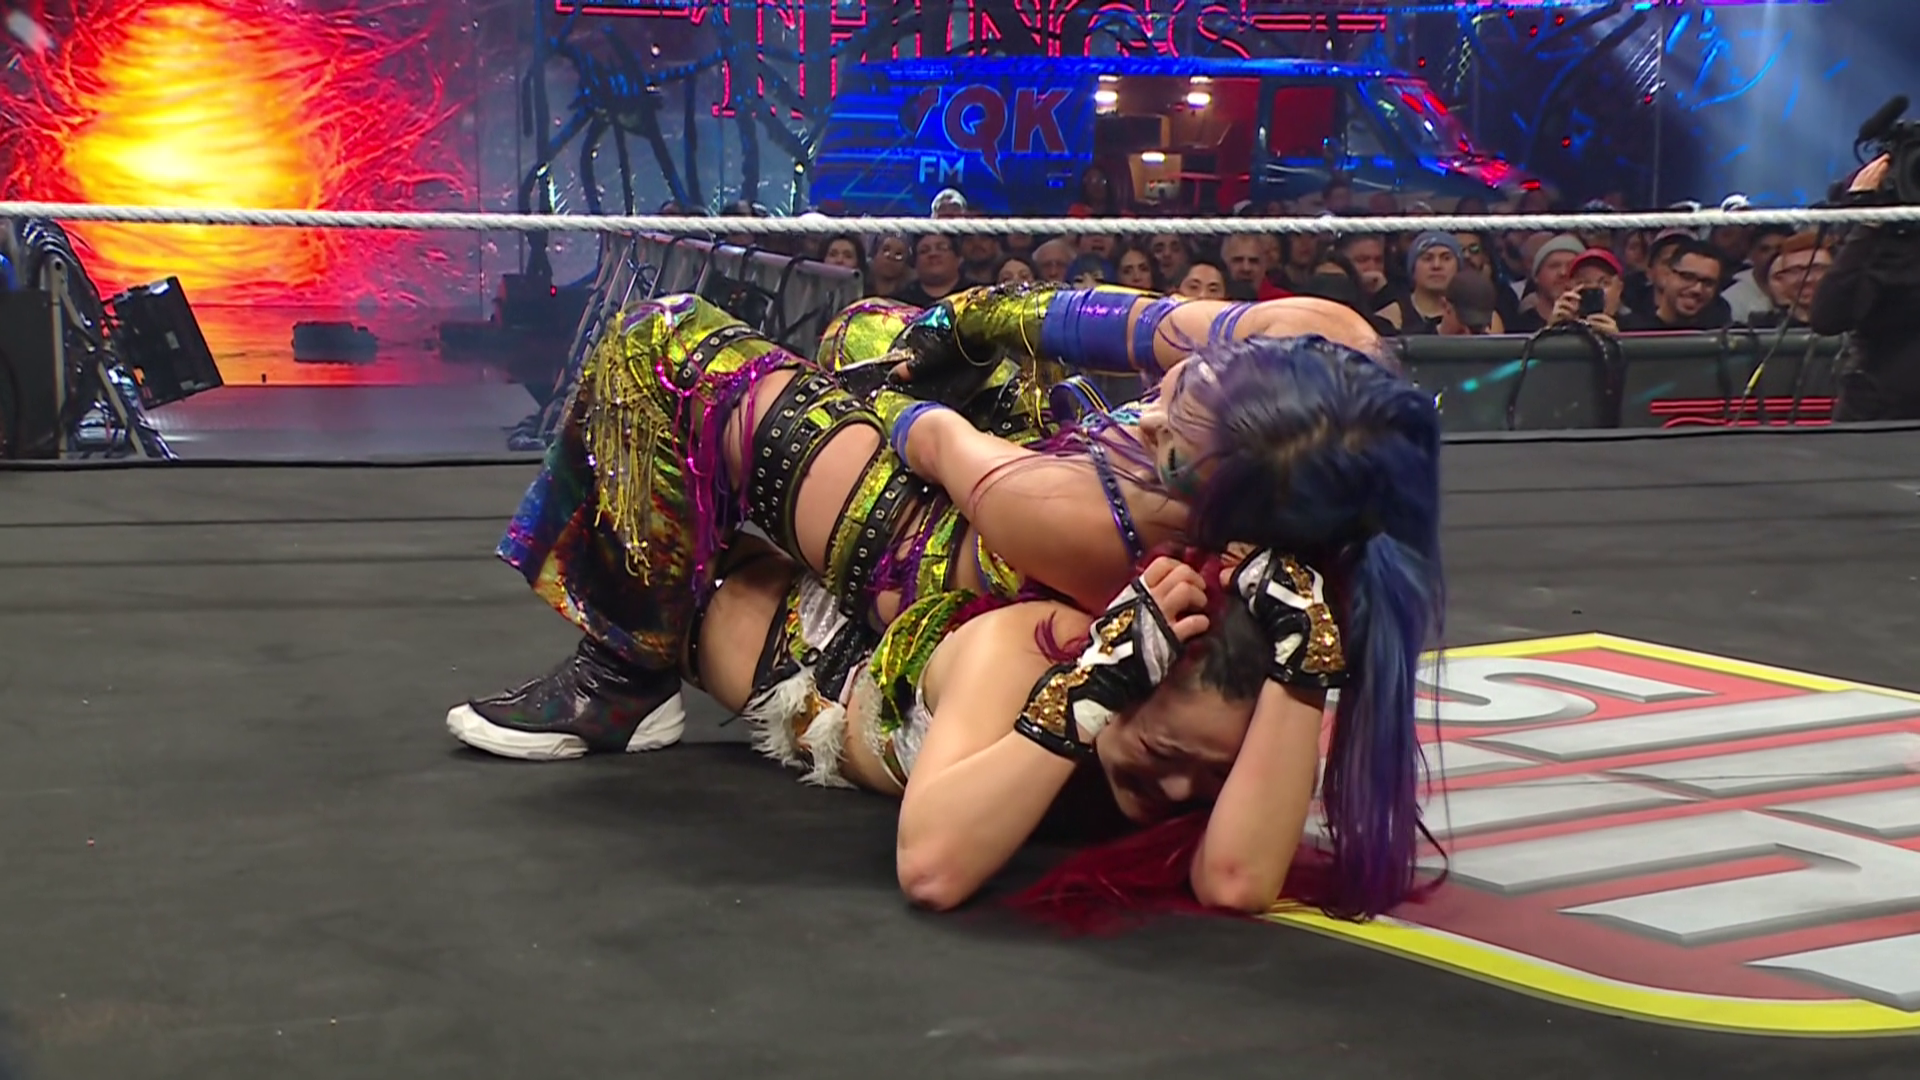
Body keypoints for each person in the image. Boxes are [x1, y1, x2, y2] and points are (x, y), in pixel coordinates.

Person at [449, 285, 1407, 765]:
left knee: (662, 340)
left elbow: (930, 439)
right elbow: (1140, 324)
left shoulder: (1077, 511)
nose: (1153, 401)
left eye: (1175, 410)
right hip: (1037, 487)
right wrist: (957, 329)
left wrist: (881, 392)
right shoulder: (1320, 406)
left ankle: (622, 674)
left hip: (939, 549)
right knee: (873, 325)